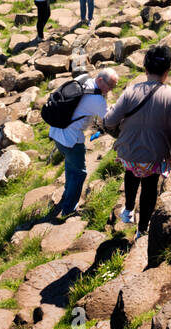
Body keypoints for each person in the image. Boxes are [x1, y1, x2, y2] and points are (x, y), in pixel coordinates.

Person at [100, 44, 171, 236]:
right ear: (167, 71)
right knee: (150, 187)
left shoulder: (130, 91)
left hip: (129, 152)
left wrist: (109, 108)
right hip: (154, 156)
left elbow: (109, 120)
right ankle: (142, 230)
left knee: (131, 173)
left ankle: (127, 210)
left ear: (145, 69)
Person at [47, 68, 118, 220]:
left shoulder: (83, 79)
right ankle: (69, 209)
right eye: (110, 86)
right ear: (100, 81)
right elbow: (109, 120)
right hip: (71, 140)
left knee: (70, 165)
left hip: (56, 132)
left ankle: (67, 194)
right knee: (80, 173)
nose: (111, 90)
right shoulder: (97, 100)